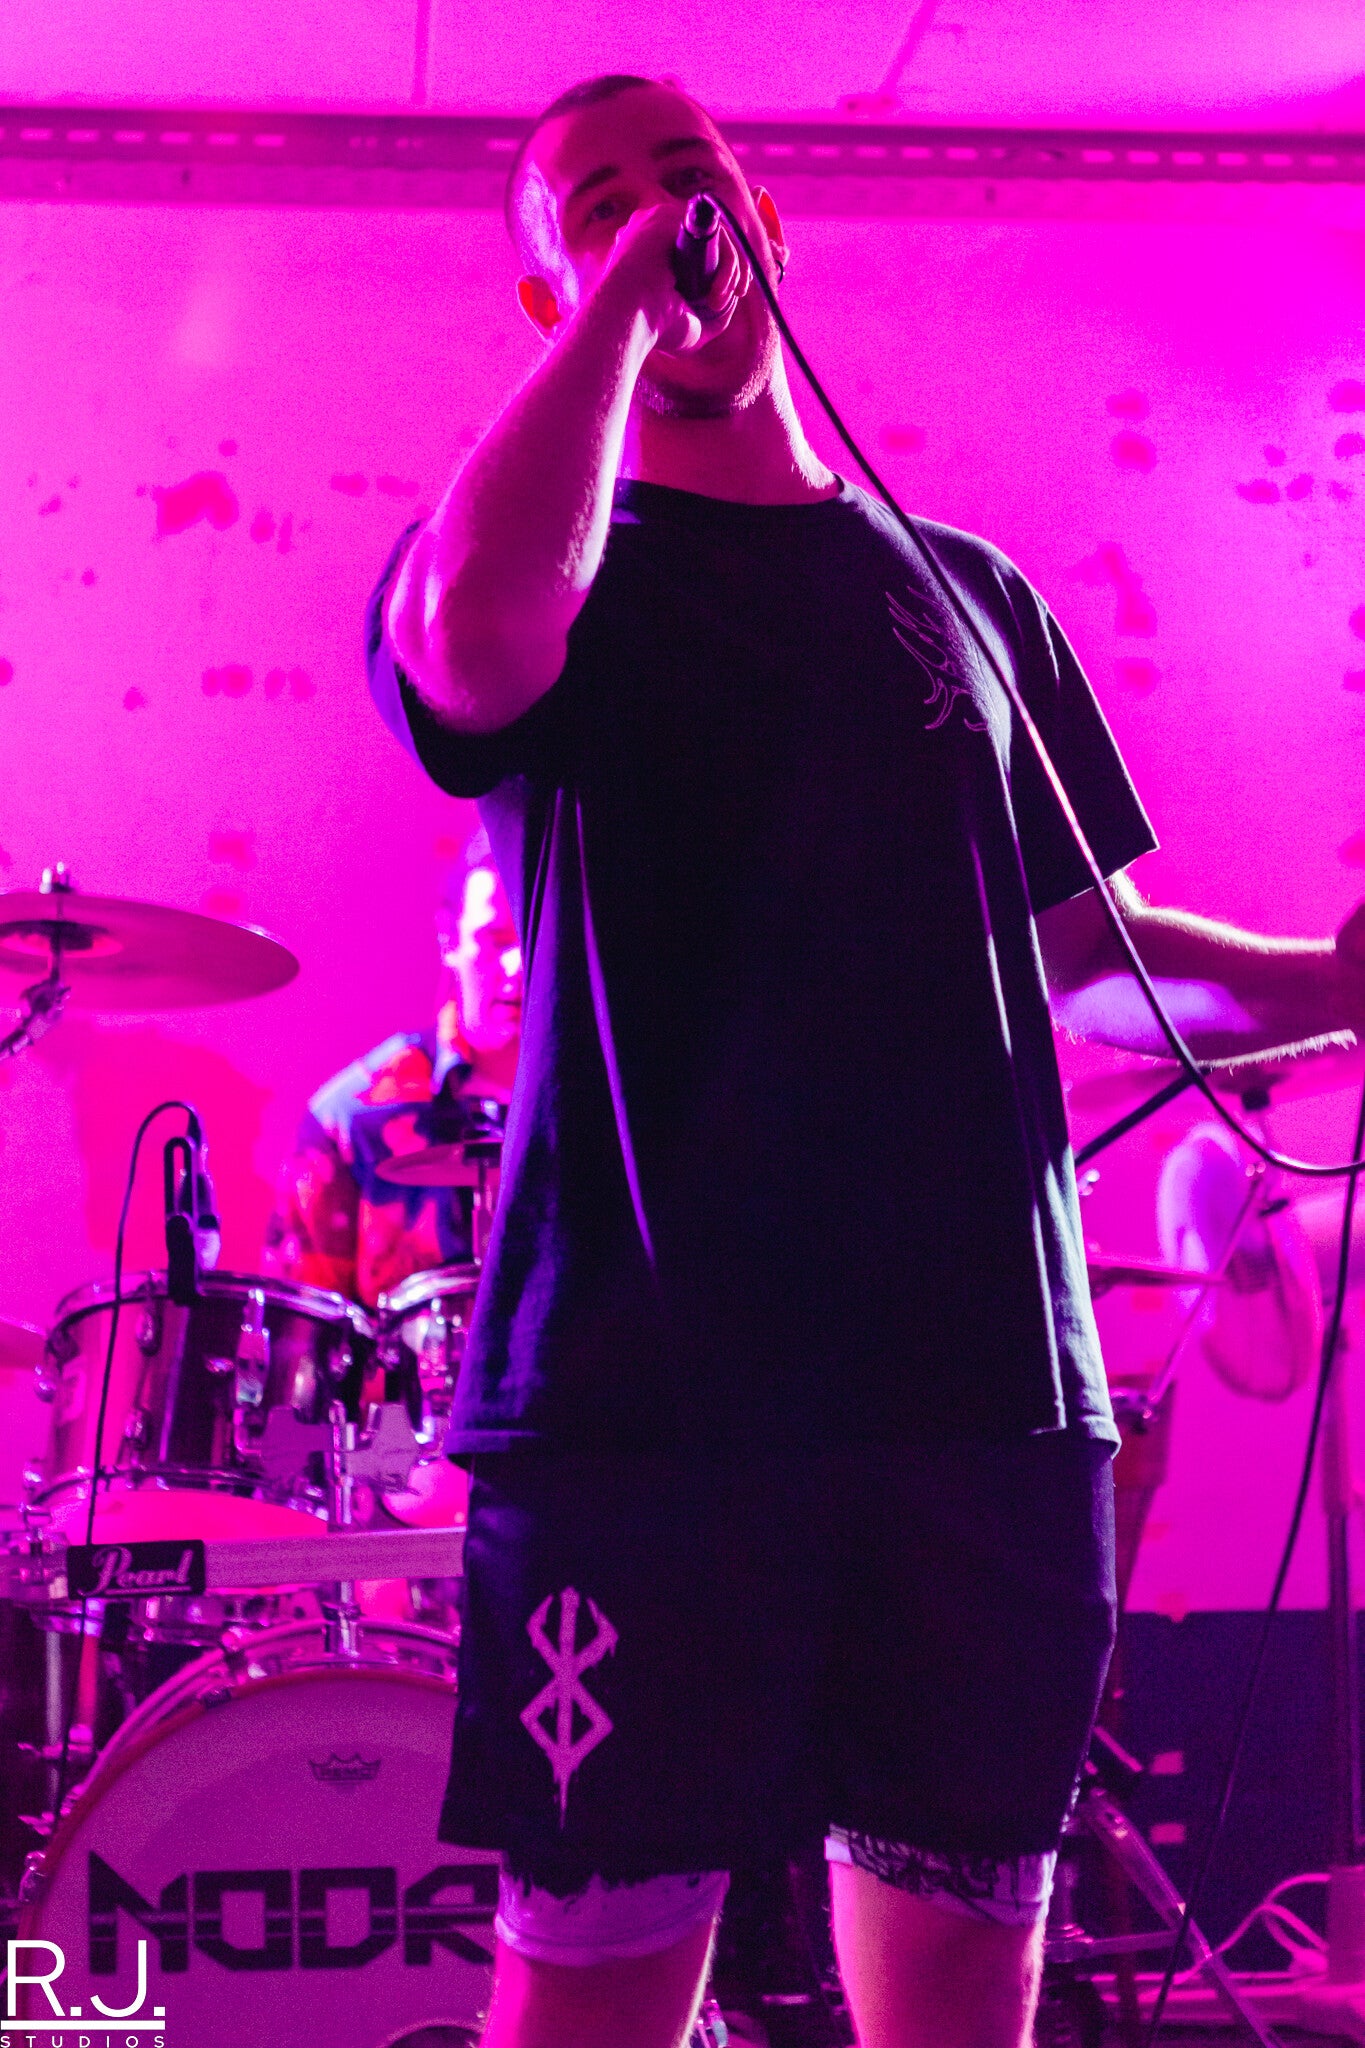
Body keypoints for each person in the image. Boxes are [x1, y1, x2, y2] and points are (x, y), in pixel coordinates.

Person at [367, 73, 1365, 2048]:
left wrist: (1335, 981)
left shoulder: (968, 591)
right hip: (645, 1402)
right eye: (597, 203)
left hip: (974, 1394)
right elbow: (471, 641)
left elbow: (1096, 961)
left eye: (690, 179)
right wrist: (624, 304)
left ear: (767, 224)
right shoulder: (549, 554)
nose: (659, 214)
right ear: (550, 292)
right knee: (590, 1983)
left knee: (962, 1979)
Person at [263, 833, 522, 1308]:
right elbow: (300, 1329)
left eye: (534, 940)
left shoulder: (609, 1104)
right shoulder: (351, 1117)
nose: (519, 965)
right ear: (449, 938)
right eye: (495, 939)